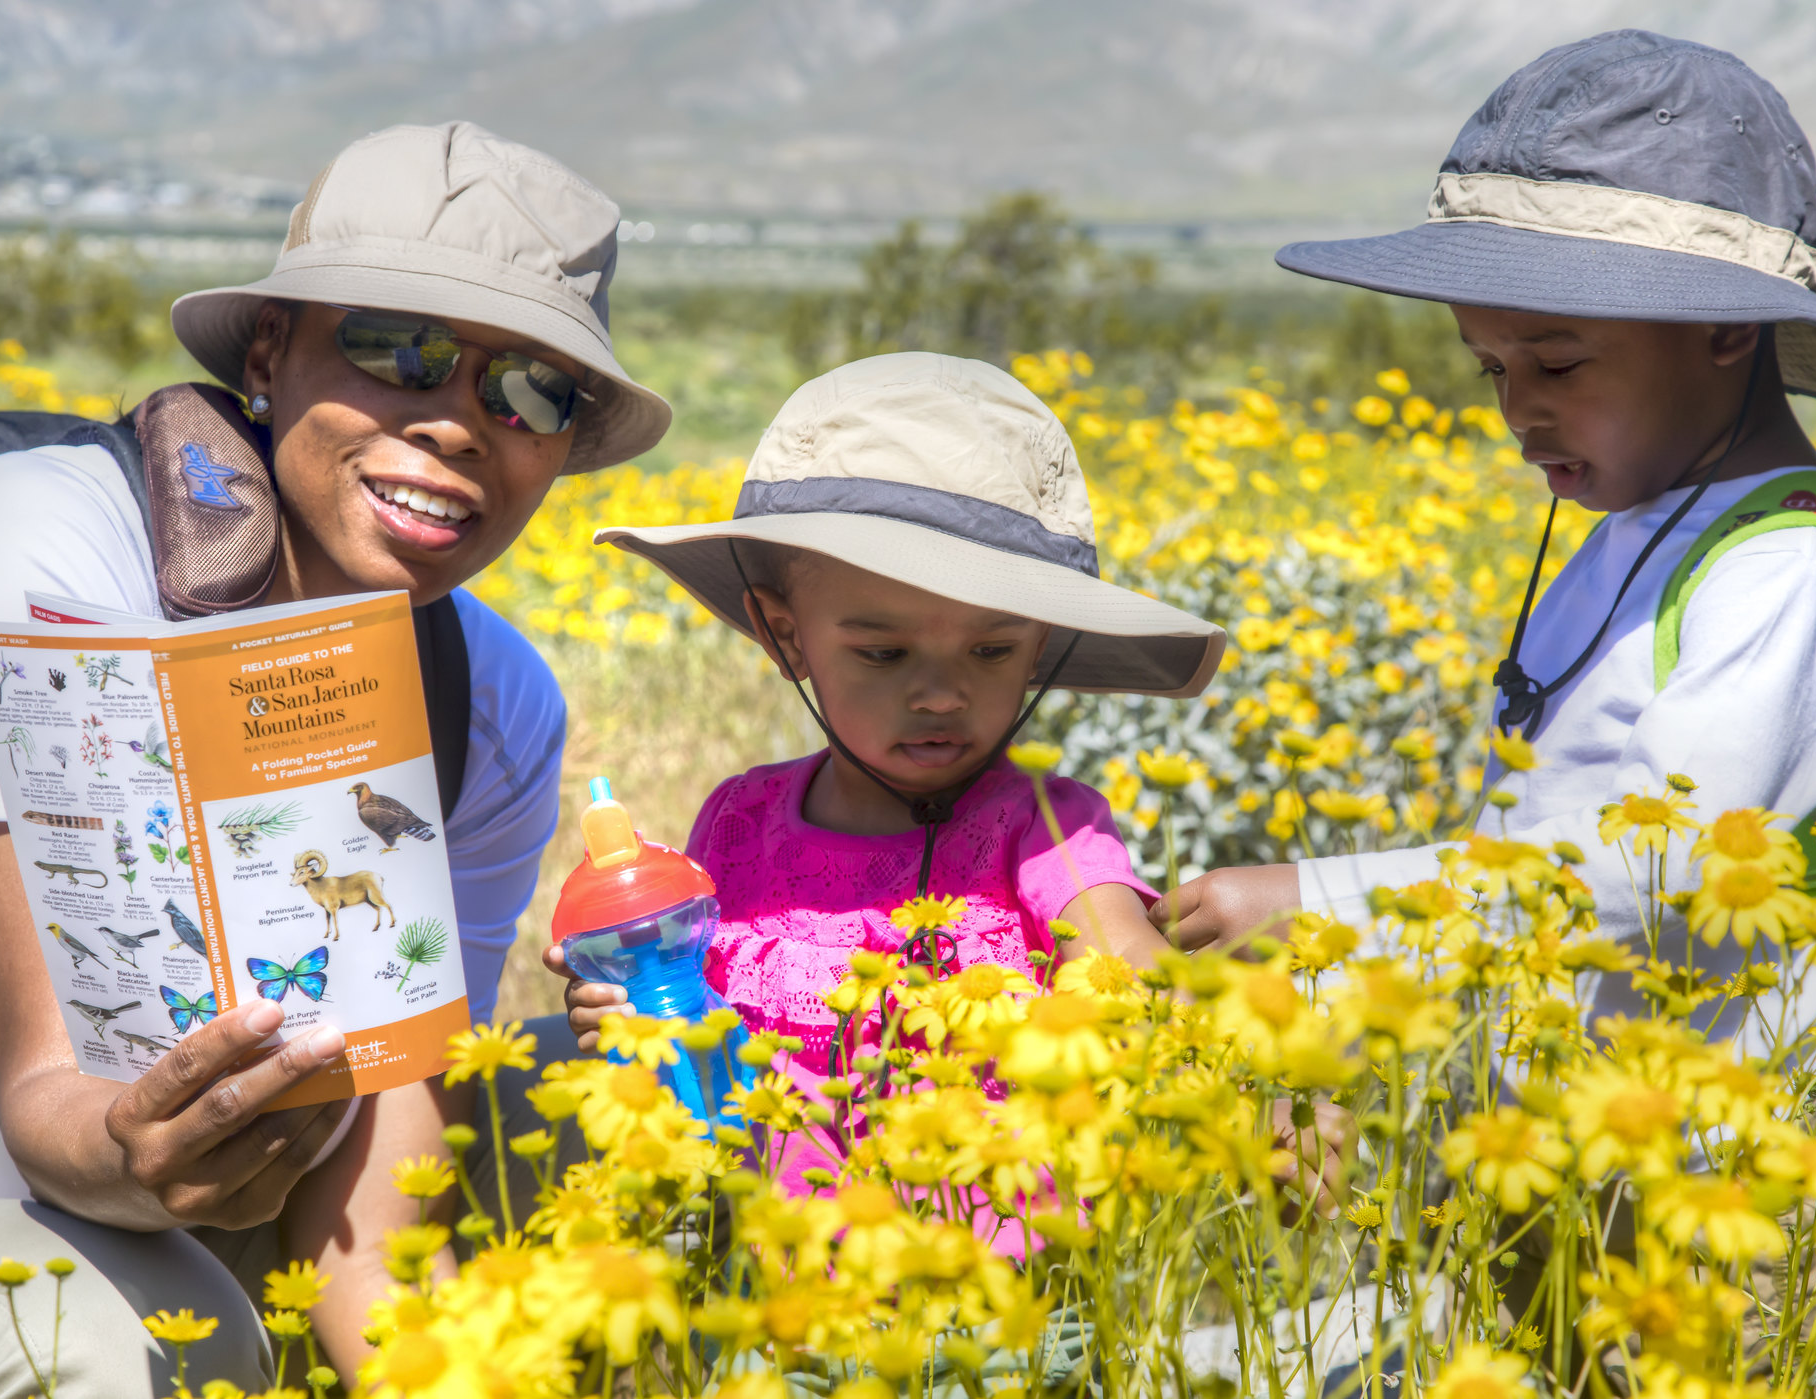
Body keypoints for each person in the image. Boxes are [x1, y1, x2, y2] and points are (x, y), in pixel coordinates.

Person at [0, 122, 669, 1392]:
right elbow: (42, 1099)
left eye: (530, 391)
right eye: (401, 349)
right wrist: (138, 1164)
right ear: (268, 351)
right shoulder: (55, 539)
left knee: (642, 1118)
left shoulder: (491, 702)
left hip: (203, 1207)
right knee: (125, 1343)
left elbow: (373, 1224)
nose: (460, 423)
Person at [1157, 31, 1816, 1046]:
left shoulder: (1786, 575)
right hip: (1561, 1138)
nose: (1518, 410)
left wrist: (1323, 899)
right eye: (1490, 370)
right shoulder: (1642, 533)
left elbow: (1658, 871)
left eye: (1555, 365)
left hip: (1703, 1158)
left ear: (1724, 330)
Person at [545, 351, 1350, 1219]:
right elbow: (692, 1030)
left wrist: (1249, 1102)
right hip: (769, 1297)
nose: (940, 693)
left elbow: (1133, 980)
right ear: (785, 636)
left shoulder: (1047, 828)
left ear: (1040, 647)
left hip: (994, 1314)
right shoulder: (735, 824)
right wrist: (624, 1016)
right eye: (884, 653)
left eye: (992, 650)